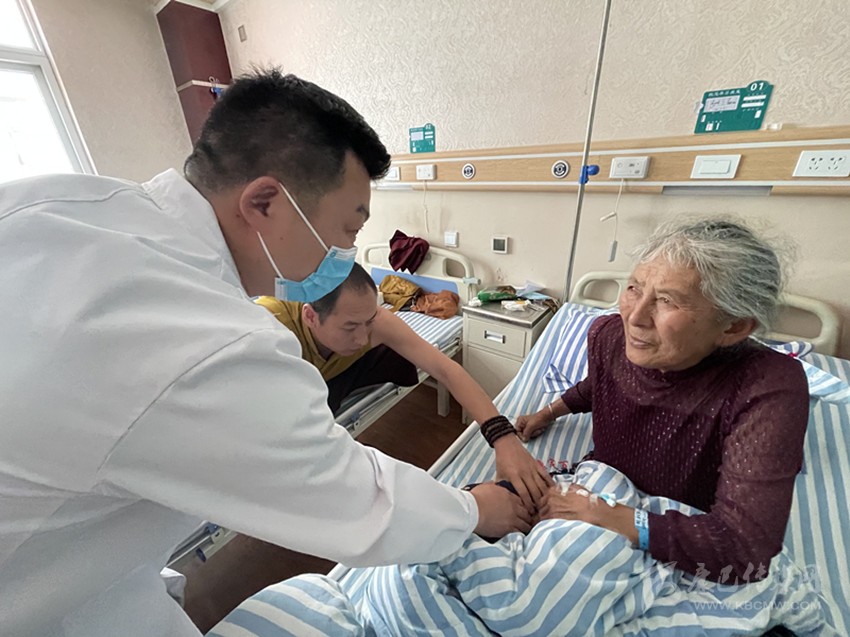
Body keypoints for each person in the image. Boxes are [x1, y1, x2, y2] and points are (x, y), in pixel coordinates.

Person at [0, 70, 531, 637]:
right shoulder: (214, 340)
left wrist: (501, 434)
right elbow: (353, 498)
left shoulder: (51, 204)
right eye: (347, 229)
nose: (346, 253)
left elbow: (438, 365)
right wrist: (477, 509)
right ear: (264, 202)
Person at [517, 219, 808, 583]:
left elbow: (744, 548)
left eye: (667, 301)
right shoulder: (607, 337)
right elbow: (602, 383)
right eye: (634, 288)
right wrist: (549, 412)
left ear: (733, 326)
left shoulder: (765, 386)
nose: (635, 317)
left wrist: (608, 516)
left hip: (683, 527)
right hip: (602, 483)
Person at [256, 263, 553, 510]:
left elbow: (446, 370)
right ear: (310, 316)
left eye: (369, 321)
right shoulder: (268, 331)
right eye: (350, 327)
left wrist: (504, 439)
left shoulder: (374, 323)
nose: (363, 338)